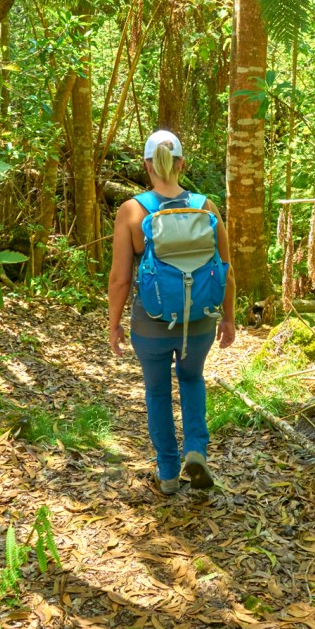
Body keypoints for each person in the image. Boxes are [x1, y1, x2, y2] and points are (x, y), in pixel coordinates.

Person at [108, 130, 236, 494]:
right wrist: (228, 317)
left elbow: (120, 278)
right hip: (199, 319)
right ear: (182, 164)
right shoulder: (206, 207)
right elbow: (226, 270)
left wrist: (114, 324)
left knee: (157, 392)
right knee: (192, 378)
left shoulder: (132, 210)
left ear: (146, 165)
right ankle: (195, 449)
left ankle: (167, 472)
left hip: (151, 322)